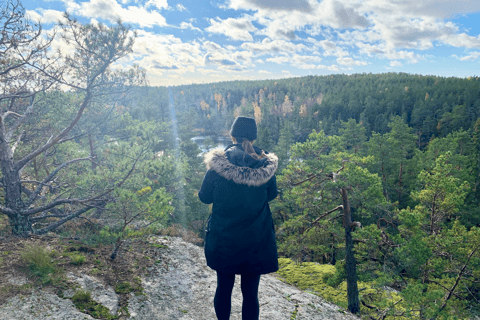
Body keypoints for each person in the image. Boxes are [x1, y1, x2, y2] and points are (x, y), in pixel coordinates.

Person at [198, 116, 279, 320]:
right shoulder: (264, 166)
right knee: (251, 294)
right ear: (253, 137)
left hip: (224, 240)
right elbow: (271, 195)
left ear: (232, 135)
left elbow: (204, 197)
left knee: (223, 288)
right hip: (256, 240)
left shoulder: (217, 166)